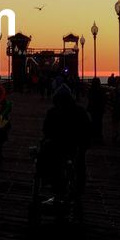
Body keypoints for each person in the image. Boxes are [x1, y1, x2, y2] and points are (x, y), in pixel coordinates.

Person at [40, 86, 91, 218]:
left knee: (51, 160)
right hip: (75, 147)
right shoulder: (80, 111)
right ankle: (78, 191)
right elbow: (87, 130)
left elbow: (46, 131)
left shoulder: (53, 112)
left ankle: (54, 186)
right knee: (79, 165)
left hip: (58, 148)